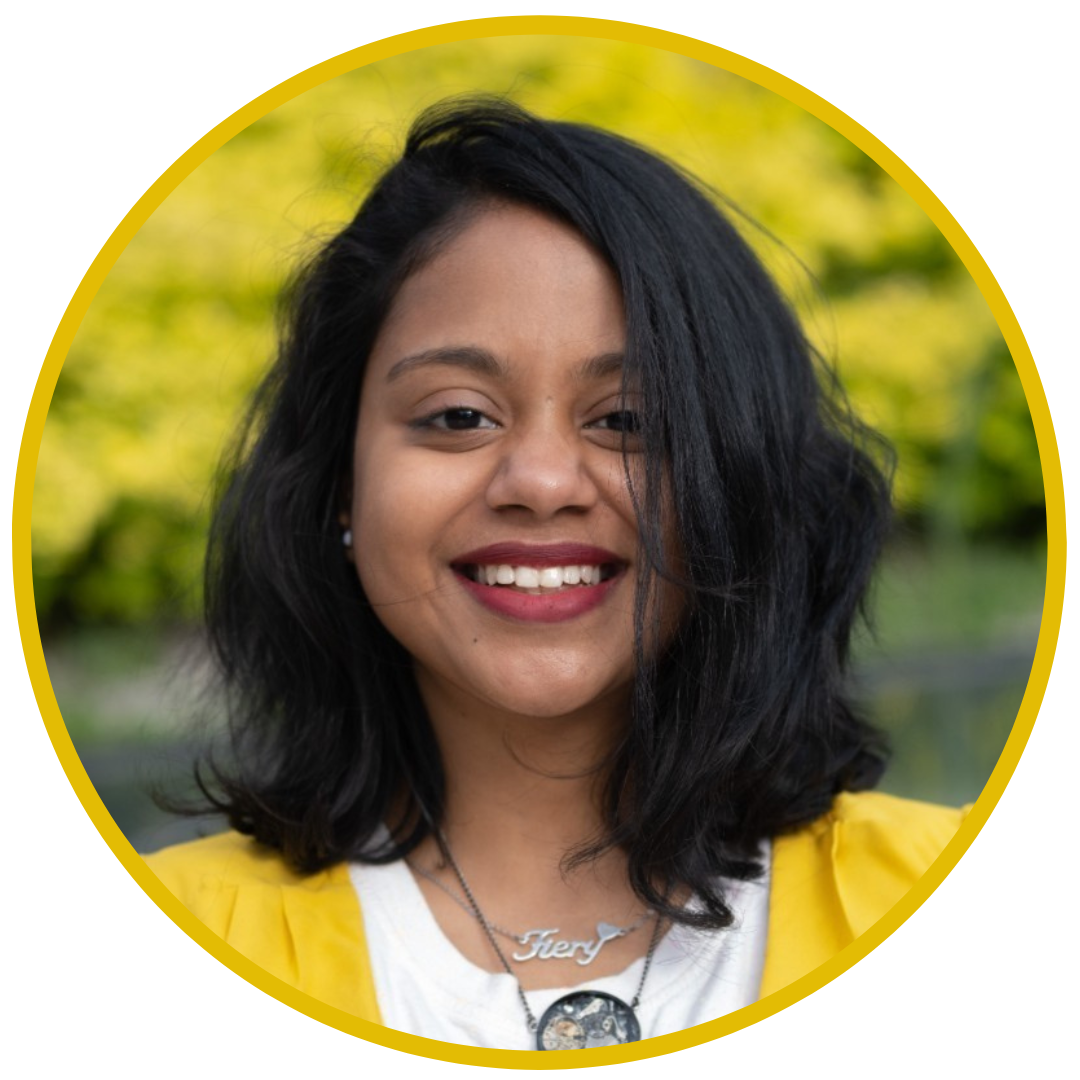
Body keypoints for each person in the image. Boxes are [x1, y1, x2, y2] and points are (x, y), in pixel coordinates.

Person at [146, 97, 967, 1050]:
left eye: (630, 422)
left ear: (741, 482)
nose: (539, 482)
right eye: (459, 415)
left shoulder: (968, 897)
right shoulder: (145, 942)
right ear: (340, 483)